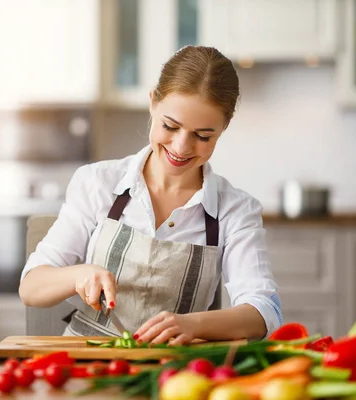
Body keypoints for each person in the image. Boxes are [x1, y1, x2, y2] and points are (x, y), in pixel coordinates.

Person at [19, 45, 283, 345]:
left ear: (224, 127)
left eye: (202, 135)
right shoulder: (97, 183)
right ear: (152, 104)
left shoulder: (235, 210)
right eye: (170, 126)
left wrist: (193, 325)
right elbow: (31, 287)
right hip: (87, 362)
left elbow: (265, 311)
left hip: (174, 376)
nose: (181, 147)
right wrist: (79, 274)